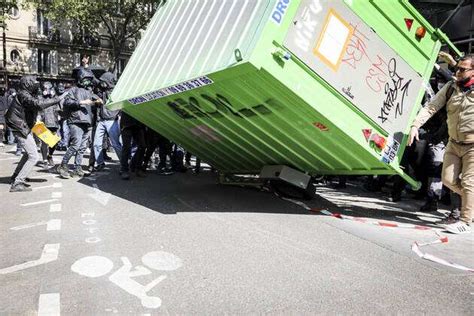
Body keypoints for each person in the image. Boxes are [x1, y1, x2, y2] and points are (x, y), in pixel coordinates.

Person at [409, 54, 474, 234]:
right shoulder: (450, 87)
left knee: (469, 182)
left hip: (472, 146)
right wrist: (415, 125)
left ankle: (465, 221)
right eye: (457, 68)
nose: (457, 72)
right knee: (448, 180)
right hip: (453, 143)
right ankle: (471, 201)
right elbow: (431, 106)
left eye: (462, 69)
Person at [5, 75, 63, 192]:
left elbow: (35, 112)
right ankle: (18, 182)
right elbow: (38, 104)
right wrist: (57, 99)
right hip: (19, 125)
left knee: (28, 153)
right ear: (28, 84)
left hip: (23, 125)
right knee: (34, 156)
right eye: (34, 83)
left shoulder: (26, 94)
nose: (36, 85)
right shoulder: (23, 94)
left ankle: (16, 176)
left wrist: (47, 136)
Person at [57, 68, 102, 179]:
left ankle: (77, 168)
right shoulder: (73, 90)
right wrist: (81, 102)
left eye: (89, 80)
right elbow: (67, 102)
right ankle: (63, 165)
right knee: (75, 145)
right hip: (75, 121)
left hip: (87, 122)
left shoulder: (89, 91)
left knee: (82, 147)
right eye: (86, 79)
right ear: (80, 79)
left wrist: (98, 102)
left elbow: (96, 102)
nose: (88, 82)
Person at [92, 72, 122, 171]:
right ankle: (100, 163)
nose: (101, 83)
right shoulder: (103, 91)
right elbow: (95, 84)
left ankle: (124, 164)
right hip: (102, 120)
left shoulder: (116, 92)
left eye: (104, 81)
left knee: (116, 144)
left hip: (112, 121)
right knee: (96, 143)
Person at [38, 81, 61, 167]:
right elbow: (38, 106)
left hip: (53, 122)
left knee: (55, 142)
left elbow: (59, 108)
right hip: (42, 122)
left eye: (49, 88)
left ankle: (49, 156)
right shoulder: (39, 97)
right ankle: (44, 161)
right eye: (45, 88)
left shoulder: (55, 97)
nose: (47, 90)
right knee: (44, 142)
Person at [120, 112, 146, 180]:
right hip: (126, 124)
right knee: (126, 147)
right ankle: (124, 170)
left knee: (142, 146)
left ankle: (137, 168)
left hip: (138, 124)